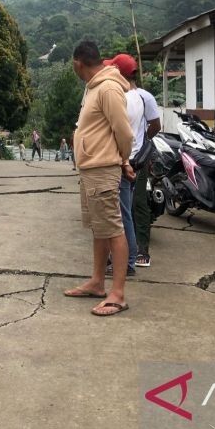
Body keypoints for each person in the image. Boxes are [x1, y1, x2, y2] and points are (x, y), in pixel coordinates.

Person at [64, 41, 134, 317]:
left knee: (113, 229)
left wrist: (122, 159)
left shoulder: (107, 88)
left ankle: (117, 294)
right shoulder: (94, 86)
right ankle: (97, 282)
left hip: (103, 168)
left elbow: (124, 133)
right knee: (99, 228)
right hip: (92, 169)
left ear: (77, 63)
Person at [109, 55, 162, 267]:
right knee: (123, 209)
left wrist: (142, 140)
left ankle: (140, 251)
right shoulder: (119, 95)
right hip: (125, 156)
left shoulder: (142, 97)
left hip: (134, 158)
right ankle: (126, 254)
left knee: (137, 204)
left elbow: (155, 124)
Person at [102, 54, 145, 278]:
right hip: (131, 160)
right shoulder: (138, 96)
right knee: (123, 213)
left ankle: (128, 262)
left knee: (121, 215)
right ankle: (126, 258)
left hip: (122, 162)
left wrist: (122, 161)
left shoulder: (124, 98)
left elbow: (121, 134)